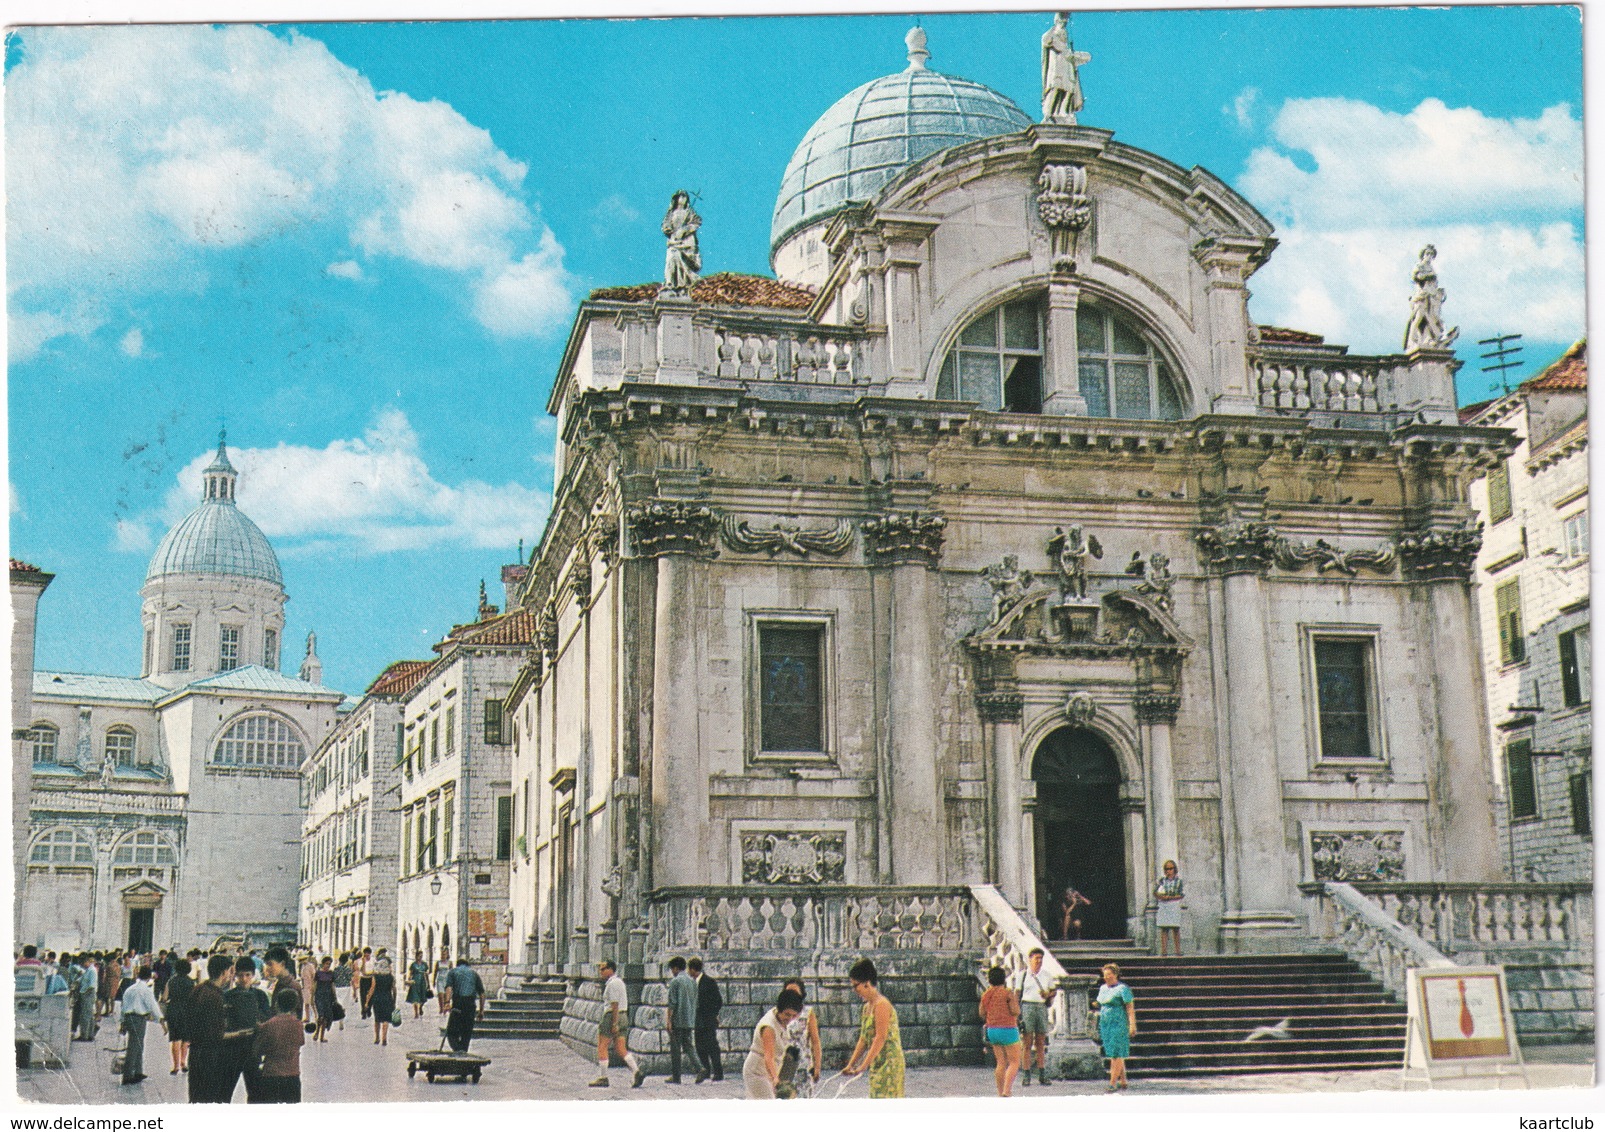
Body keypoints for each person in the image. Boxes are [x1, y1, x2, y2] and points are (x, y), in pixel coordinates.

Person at [843, 958, 904, 1099]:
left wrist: (863, 1066)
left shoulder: (881, 1004)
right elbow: (863, 1039)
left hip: (889, 1061)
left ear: (867, 983)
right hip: (877, 1060)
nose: (854, 990)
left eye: (855, 985)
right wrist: (851, 1064)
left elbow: (880, 1037)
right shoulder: (867, 1007)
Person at [589, 959, 644, 1089]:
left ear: (611, 969)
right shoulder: (620, 982)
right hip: (623, 1015)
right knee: (620, 1048)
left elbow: (614, 1004)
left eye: (603, 969)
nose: (600, 972)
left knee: (602, 1046)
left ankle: (603, 1077)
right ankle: (636, 1071)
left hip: (612, 1016)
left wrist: (614, 1023)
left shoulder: (612, 984)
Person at [187, 955, 235, 1103]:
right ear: (223, 972)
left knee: (196, 1097)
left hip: (195, 1053)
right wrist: (239, 1034)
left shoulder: (199, 989)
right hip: (210, 1056)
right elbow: (215, 1034)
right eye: (229, 971)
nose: (230, 975)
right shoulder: (215, 996)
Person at [221, 957, 270, 1101]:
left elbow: (267, 1019)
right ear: (235, 976)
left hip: (253, 1050)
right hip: (232, 1050)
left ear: (253, 975)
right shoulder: (228, 996)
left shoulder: (260, 996)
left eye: (247, 975)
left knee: (256, 1093)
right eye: (240, 975)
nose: (244, 979)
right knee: (225, 1092)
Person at [743, 988, 803, 1099]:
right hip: (756, 1071)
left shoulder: (780, 1018)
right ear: (780, 1009)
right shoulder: (768, 1028)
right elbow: (768, 1057)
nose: (789, 1018)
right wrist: (775, 1078)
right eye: (787, 1014)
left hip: (769, 1070)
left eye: (793, 1015)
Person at [250, 988, 305, 1104]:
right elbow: (300, 1042)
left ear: (276, 1004)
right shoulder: (298, 1025)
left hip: (272, 1075)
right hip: (293, 1075)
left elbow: (257, 1050)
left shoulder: (269, 1025)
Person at [979, 966, 1023, 1097]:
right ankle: (1007, 1090)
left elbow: (981, 1013)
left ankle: (1000, 1092)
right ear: (1004, 979)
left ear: (990, 980)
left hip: (992, 1030)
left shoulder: (986, 994)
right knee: (1014, 1061)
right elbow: (1015, 1011)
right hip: (1008, 1029)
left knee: (1000, 1062)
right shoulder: (1007, 993)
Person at [1016, 947, 1057, 1087]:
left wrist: (1048, 995)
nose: (1039, 961)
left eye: (1040, 958)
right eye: (1036, 958)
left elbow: (1053, 991)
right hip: (1027, 1007)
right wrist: (1016, 1013)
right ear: (1030, 959)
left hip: (1041, 1007)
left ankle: (1042, 1074)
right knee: (1027, 1043)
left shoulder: (1046, 975)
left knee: (1040, 1043)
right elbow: (1017, 994)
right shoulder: (1022, 975)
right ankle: (1026, 1074)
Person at [1094, 963, 1136, 1091]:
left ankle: (1112, 1082)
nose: (1106, 977)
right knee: (1112, 1051)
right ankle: (1123, 1080)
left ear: (1115, 974)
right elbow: (1100, 1002)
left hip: (1119, 1022)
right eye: (1104, 975)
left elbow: (1129, 1008)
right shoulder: (1103, 988)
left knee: (1117, 1052)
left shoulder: (1122, 988)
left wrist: (1132, 1024)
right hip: (1106, 1023)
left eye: (1109, 975)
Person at [119, 966, 162, 1085]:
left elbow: (123, 1006)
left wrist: (122, 1022)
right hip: (139, 1018)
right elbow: (152, 1006)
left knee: (137, 1044)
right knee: (135, 1046)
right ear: (149, 977)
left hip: (128, 1017)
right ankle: (128, 1075)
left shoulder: (130, 989)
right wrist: (161, 1020)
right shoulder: (146, 990)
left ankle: (138, 1071)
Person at [780, 978, 823, 1098]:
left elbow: (815, 1041)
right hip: (784, 1065)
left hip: (803, 1066)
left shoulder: (808, 1013)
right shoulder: (779, 1012)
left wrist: (817, 1066)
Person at [663, 956, 702, 1084]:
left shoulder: (675, 982)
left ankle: (676, 1076)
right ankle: (700, 1068)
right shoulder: (692, 982)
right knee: (689, 1046)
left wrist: (669, 1020)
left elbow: (672, 1003)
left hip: (678, 1019)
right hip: (689, 1019)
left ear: (675, 968)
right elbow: (696, 1002)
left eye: (672, 969)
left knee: (675, 1049)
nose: (672, 972)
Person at [441, 957, 486, 1054]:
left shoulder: (453, 972)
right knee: (467, 1031)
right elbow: (482, 994)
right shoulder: (474, 974)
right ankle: (463, 1052)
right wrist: (481, 1011)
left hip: (458, 1003)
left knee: (452, 1031)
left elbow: (449, 988)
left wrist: (447, 1003)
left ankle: (458, 1050)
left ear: (457, 964)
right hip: (470, 1004)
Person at [689, 958, 723, 1083]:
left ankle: (718, 1072)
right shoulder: (693, 983)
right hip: (698, 1020)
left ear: (693, 969)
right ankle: (706, 1070)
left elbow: (718, 1000)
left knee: (712, 1046)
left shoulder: (709, 982)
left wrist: (712, 1014)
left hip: (708, 1019)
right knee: (700, 1046)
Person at [661, 190, 702, 293]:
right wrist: (669, 229)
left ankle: (682, 284)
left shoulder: (690, 212)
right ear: (677, 198)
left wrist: (684, 230)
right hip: (674, 242)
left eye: (685, 197)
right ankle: (671, 283)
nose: (683, 199)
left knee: (680, 259)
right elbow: (665, 225)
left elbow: (697, 222)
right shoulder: (671, 213)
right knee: (671, 258)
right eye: (681, 196)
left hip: (686, 244)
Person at [164, 956, 194, 1074]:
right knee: (186, 1039)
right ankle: (183, 1062)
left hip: (174, 1009)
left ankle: (175, 1066)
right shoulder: (191, 982)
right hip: (187, 1010)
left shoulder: (171, 981)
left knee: (175, 1039)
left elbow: (165, 997)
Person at [1155, 860, 1185, 957]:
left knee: (1175, 928)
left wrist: (1170, 897)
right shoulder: (1162, 881)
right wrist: (1162, 897)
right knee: (1164, 928)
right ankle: (1164, 951)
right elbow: (1155, 892)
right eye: (1167, 869)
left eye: (1171, 868)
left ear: (1174, 869)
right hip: (1164, 905)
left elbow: (1181, 895)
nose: (1169, 871)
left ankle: (1178, 950)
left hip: (1174, 905)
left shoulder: (1179, 882)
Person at [262, 947, 302, 1019]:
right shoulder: (280, 983)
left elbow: (293, 1019)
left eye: (270, 964)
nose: (267, 968)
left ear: (282, 964)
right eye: (267, 964)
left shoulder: (292, 986)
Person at [364, 956, 395, 1045]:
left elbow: (372, 989)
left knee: (377, 1019)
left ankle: (377, 1038)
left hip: (377, 999)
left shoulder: (376, 977)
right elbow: (394, 989)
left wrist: (367, 1002)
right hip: (388, 998)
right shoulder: (390, 977)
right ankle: (384, 1038)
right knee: (386, 1019)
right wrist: (394, 1000)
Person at [312, 957, 338, 1042]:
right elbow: (314, 985)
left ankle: (322, 1036)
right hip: (319, 996)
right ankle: (317, 1032)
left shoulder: (331, 973)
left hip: (328, 997)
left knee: (326, 1017)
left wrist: (335, 997)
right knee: (321, 1016)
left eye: (329, 964)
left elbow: (332, 986)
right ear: (323, 964)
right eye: (327, 964)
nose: (328, 966)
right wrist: (312, 997)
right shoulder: (318, 973)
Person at [331, 952, 353, 1029]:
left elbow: (333, 978)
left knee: (339, 1003)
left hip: (338, 987)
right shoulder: (348, 969)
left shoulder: (336, 968)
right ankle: (342, 1019)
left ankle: (340, 1019)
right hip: (346, 987)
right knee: (344, 1004)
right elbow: (350, 978)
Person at [353, 947, 373, 1018]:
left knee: (371, 995)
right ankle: (363, 1011)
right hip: (363, 979)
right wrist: (364, 962)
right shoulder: (360, 961)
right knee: (363, 995)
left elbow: (373, 970)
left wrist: (370, 973)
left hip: (370, 979)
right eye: (365, 954)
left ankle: (369, 1009)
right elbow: (361, 970)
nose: (366, 956)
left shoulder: (372, 960)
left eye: (368, 954)